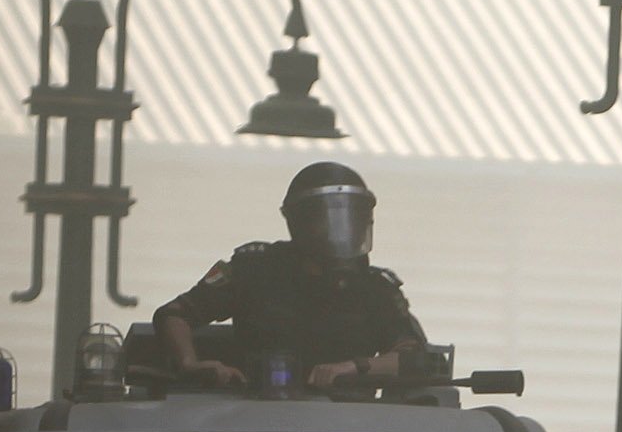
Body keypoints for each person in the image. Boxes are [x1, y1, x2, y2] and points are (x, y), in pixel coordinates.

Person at [155, 163, 431, 391]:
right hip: (250, 422)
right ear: (299, 222)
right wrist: (190, 364)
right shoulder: (255, 270)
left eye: (350, 218)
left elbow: (415, 357)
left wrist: (352, 367)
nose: (342, 231)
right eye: (328, 220)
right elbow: (174, 314)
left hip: (348, 429)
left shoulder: (376, 288)